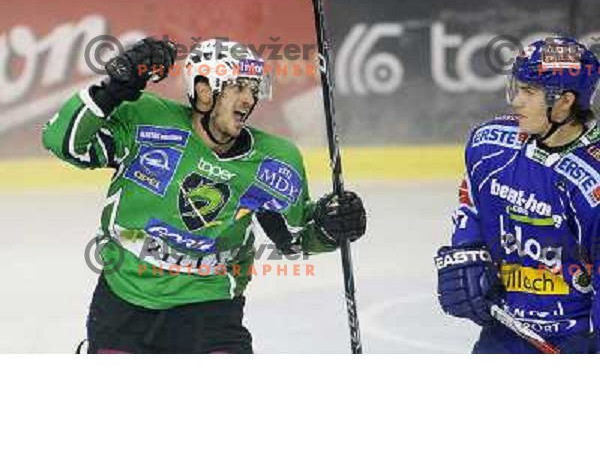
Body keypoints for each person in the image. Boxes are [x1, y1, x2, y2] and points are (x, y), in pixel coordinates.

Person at [42, 37, 367, 353]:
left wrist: (330, 227)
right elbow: (65, 143)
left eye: (253, 90)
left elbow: (294, 239)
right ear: (203, 91)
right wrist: (112, 90)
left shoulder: (275, 162)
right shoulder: (145, 120)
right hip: (124, 303)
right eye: (238, 87)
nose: (248, 100)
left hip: (211, 312)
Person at [436, 36, 600, 353]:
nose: (516, 101)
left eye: (529, 92)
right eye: (517, 88)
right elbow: (472, 206)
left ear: (565, 101)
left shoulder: (591, 184)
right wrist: (467, 254)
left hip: (577, 341)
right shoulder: (489, 146)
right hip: (506, 334)